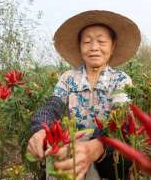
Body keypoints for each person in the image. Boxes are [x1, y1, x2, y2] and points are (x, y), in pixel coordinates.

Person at [27, 10, 141, 180]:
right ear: (80, 46)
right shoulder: (68, 78)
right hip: (74, 145)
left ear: (113, 45)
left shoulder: (121, 80)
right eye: (87, 42)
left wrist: (95, 146)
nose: (94, 47)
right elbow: (52, 106)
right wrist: (40, 129)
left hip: (108, 151)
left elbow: (120, 119)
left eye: (101, 41)